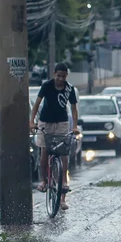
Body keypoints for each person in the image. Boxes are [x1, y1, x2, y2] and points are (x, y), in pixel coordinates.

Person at [30, 62, 79, 210]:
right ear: (54, 74)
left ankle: (63, 186)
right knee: (44, 151)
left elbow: (74, 108)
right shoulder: (46, 86)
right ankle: (44, 181)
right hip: (45, 122)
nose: (60, 79)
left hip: (62, 122)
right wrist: (31, 122)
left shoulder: (69, 89)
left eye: (63, 77)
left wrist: (75, 126)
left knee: (63, 153)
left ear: (66, 76)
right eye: (58, 76)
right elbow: (37, 105)